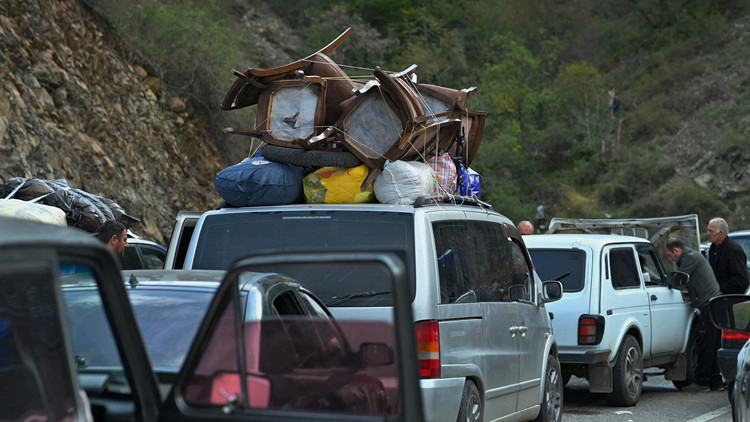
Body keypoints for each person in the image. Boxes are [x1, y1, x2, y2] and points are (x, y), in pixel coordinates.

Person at [664, 237, 724, 392]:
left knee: (705, 345)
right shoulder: (692, 256)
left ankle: (702, 382)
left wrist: (662, 282)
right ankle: (716, 382)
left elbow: (677, 280)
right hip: (714, 304)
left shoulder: (689, 259)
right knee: (713, 345)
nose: (669, 259)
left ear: (676, 251)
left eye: (669, 255)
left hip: (709, 305)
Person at [707, 217, 749, 294]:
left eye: (711, 231)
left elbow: (740, 278)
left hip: (731, 298)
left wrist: (720, 290)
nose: (708, 234)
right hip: (717, 295)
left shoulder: (733, 249)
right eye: (708, 230)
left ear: (721, 233)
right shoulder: (712, 248)